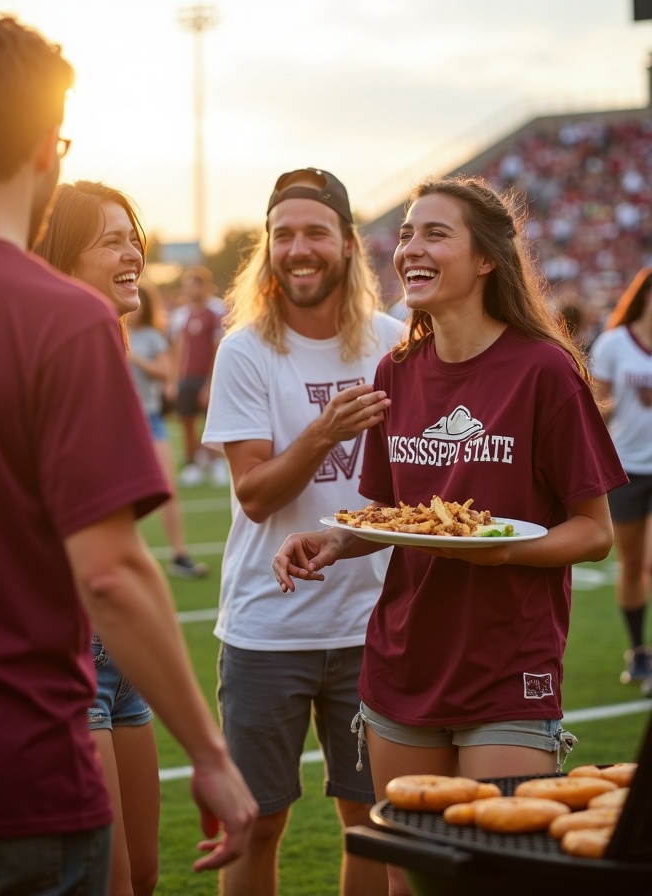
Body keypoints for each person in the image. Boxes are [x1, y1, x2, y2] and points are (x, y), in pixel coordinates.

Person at [0, 14, 256, 896]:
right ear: (49, 149)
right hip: (19, 765)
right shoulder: (57, 315)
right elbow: (111, 573)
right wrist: (209, 754)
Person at [272, 174, 627, 896]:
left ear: (487, 258)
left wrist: (499, 548)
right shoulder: (396, 370)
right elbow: (389, 512)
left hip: (508, 664)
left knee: (493, 880)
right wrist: (337, 540)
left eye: (435, 233)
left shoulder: (543, 370)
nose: (410, 249)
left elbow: (594, 534)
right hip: (403, 661)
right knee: (412, 881)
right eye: (405, 234)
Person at [201, 167, 403, 896]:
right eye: (282, 233)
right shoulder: (246, 349)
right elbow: (254, 496)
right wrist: (324, 431)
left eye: (315, 231)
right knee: (255, 822)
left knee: (373, 819)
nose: (298, 247)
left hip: (372, 623)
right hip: (267, 626)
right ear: (267, 248)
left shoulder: (395, 340)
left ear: (348, 244)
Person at [34, 182, 212, 895]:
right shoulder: (49, 357)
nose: (133, 249)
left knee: (142, 875)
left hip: (120, 659)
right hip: (63, 657)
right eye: (111, 239)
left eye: (132, 234)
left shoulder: (108, 354)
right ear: (61, 258)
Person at [590, 267, 652, 695]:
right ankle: (639, 653)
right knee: (632, 565)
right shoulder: (614, 343)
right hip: (627, 468)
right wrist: (604, 407)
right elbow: (594, 404)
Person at [128, 278, 210, 578]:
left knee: (168, 489)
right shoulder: (104, 326)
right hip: (117, 423)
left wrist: (132, 354)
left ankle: (179, 555)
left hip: (149, 420)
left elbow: (165, 372)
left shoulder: (150, 336)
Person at [171, 266, 228, 487]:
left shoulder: (216, 312)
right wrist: (175, 379)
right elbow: (178, 348)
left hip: (206, 377)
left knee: (211, 422)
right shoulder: (181, 315)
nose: (191, 290)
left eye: (195, 285)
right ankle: (193, 463)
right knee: (186, 421)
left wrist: (209, 383)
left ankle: (215, 464)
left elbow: (217, 349)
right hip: (186, 378)